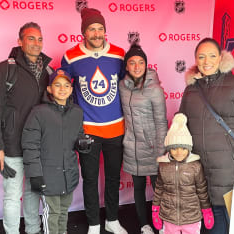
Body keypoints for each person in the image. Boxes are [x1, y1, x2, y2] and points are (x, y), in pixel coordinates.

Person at [178, 38, 234, 234]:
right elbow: (181, 126)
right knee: (211, 226)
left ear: (221, 58)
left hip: (231, 170)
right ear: (196, 60)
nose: (207, 61)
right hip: (202, 172)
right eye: (201, 56)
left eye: (212, 56)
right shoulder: (191, 90)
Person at [60, 7, 127, 234]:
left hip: (116, 128)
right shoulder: (71, 56)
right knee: (89, 179)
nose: (97, 34)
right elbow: (61, 86)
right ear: (84, 33)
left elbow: (129, 85)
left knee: (113, 177)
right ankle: (94, 223)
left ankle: (112, 219)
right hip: (87, 130)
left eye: (100, 29)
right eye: (92, 29)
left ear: (105, 31)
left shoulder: (119, 54)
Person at [0, 22, 53, 234]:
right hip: (11, 146)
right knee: (13, 195)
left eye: (39, 39)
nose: (36, 43)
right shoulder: (4, 69)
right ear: (20, 41)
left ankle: (33, 230)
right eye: (31, 38)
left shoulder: (48, 71)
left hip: (37, 146)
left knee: (33, 192)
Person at [22, 70, 86, 234]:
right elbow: (30, 145)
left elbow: (78, 137)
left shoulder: (77, 112)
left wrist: (83, 143)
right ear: (49, 89)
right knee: (52, 213)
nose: (62, 89)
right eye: (57, 85)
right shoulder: (39, 112)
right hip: (48, 176)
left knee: (64, 211)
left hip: (68, 174)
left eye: (66, 85)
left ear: (71, 90)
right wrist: (35, 174)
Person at [119, 43, 168, 234]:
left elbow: (161, 122)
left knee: (160, 190)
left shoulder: (154, 89)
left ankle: (164, 224)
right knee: (138, 189)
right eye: (132, 62)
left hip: (153, 148)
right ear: (127, 66)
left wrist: (160, 152)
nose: (137, 66)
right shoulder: (122, 87)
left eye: (141, 62)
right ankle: (143, 224)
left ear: (146, 64)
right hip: (131, 147)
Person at [152, 113, 214, 234]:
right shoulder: (163, 166)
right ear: (169, 149)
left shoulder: (195, 166)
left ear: (189, 148)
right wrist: (155, 209)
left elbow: (202, 190)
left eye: (183, 148)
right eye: (174, 148)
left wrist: (206, 210)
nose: (179, 152)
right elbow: (159, 189)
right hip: (169, 217)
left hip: (192, 218)